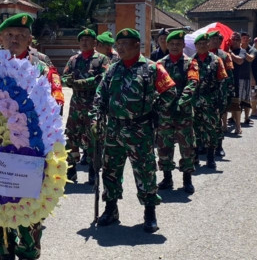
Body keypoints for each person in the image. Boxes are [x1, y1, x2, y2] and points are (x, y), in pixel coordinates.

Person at [0, 13, 64, 260]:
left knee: (28, 211)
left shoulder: (42, 67)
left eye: (20, 34)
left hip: (31, 152)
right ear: (0, 39)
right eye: (9, 35)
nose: (14, 39)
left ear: (30, 39)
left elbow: (55, 106)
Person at [92, 28, 177, 232]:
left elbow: (170, 92)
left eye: (124, 45)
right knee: (110, 171)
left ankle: (149, 213)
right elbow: (100, 95)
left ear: (136, 45)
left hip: (140, 130)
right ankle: (111, 209)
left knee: (145, 171)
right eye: (118, 45)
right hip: (113, 129)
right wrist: (95, 118)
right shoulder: (113, 69)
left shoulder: (152, 68)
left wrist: (153, 111)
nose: (119, 48)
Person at [61, 29, 109, 184]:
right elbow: (65, 77)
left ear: (95, 43)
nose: (85, 42)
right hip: (76, 107)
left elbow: (102, 79)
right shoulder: (74, 59)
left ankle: (93, 172)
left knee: (94, 139)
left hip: (93, 105)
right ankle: (71, 170)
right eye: (82, 40)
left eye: (88, 40)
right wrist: (69, 81)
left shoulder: (102, 59)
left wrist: (80, 83)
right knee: (71, 138)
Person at [155, 30, 199, 194]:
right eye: (172, 44)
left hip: (183, 112)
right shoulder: (159, 64)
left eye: (178, 44)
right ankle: (167, 178)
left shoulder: (191, 63)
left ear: (183, 46)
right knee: (164, 146)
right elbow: (156, 87)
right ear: (167, 45)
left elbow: (193, 83)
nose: (174, 47)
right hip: (165, 112)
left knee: (186, 146)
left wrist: (181, 101)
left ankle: (187, 180)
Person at [192, 33, 228, 169]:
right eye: (199, 44)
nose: (202, 46)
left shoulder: (217, 60)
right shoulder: (190, 61)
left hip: (211, 101)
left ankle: (211, 157)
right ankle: (194, 157)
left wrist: (222, 102)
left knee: (211, 129)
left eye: (204, 43)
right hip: (194, 101)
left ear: (209, 45)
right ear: (195, 46)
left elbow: (222, 82)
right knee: (194, 130)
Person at [227, 32, 254, 134]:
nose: (235, 41)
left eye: (237, 39)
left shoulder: (242, 51)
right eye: (233, 39)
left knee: (237, 103)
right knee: (226, 103)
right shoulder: (227, 50)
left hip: (238, 80)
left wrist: (230, 53)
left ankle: (238, 127)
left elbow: (239, 61)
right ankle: (225, 125)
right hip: (228, 80)